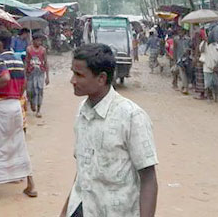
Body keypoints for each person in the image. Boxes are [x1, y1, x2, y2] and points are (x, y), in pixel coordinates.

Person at [59, 44, 158, 217]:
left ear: (101, 78)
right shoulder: (82, 111)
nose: (72, 80)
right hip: (82, 208)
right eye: (73, 73)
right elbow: (83, 172)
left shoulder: (131, 116)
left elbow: (148, 179)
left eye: (79, 75)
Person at [0, 28, 37, 202]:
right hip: (16, 105)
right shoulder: (18, 59)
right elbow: (23, 82)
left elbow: (5, 78)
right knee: (18, 144)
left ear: (0, 43)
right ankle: (31, 185)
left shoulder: (1, 60)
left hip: (3, 105)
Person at [25, 34, 50, 117]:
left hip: (40, 72)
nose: (39, 42)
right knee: (29, 90)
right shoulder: (29, 49)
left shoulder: (43, 50)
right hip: (30, 72)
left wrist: (47, 76)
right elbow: (26, 61)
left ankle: (38, 110)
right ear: (33, 41)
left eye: (40, 41)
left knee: (40, 91)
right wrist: (25, 74)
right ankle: (32, 102)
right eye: (37, 40)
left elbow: (46, 62)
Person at [200, 37, 218, 102]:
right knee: (207, 84)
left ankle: (216, 98)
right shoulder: (203, 44)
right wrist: (205, 41)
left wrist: (217, 66)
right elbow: (201, 50)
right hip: (207, 65)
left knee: (215, 84)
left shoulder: (217, 45)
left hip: (215, 66)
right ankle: (208, 97)